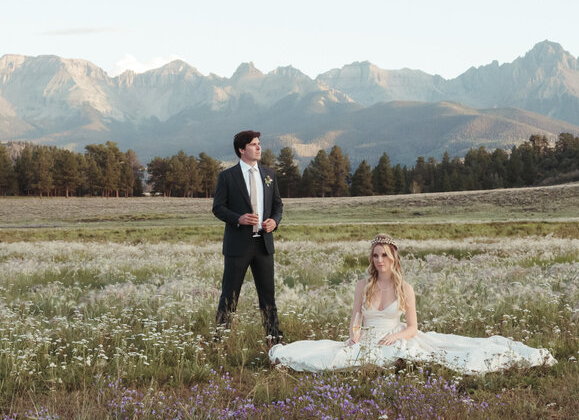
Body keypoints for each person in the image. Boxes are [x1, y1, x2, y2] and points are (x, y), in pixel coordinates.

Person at [268, 233, 555, 375]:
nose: (379, 260)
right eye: (375, 256)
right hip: (366, 338)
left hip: (395, 336)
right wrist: (353, 335)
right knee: (332, 358)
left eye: (384, 255)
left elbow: (414, 326)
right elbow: (356, 317)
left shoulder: (405, 288)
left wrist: (396, 335)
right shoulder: (362, 286)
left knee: (456, 355)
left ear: (393, 259)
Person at [213, 129, 284, 345]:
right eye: (254, 144)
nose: (259, 147)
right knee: (229, 297)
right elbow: (218, 208)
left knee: (268, 297)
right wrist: (238, 218)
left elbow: (278, 206)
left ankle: (275, 342)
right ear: (242, 150)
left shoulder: (269, 174)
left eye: (259, 143)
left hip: (263, 245)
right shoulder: (227, 176)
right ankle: (220, 342)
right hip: (237, 246)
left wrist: (274, 221)